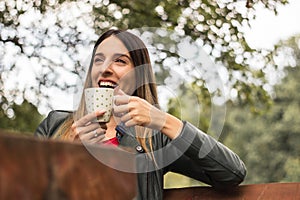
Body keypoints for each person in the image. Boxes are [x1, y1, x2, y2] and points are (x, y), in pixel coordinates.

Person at [35, 29, 247, 199]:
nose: (105, 68)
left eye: (120, 61)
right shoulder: (55, 125)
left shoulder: (154, 137)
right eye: (98, 60)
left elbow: (232, 174)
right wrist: (67, 152)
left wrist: (165, 122)